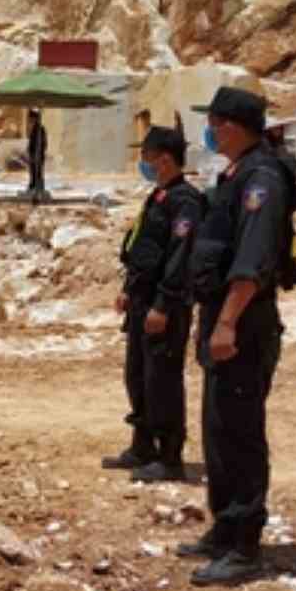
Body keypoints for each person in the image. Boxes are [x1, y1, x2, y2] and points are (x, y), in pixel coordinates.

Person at [180, 87, 293, 586]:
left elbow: (253, 259)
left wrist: (226, 322)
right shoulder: (237, 173)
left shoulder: (261, 179)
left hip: (242, 322)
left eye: (215, 124)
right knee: (218, 427)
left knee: (240, 432)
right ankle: (224, 527)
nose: (210, 133)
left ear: (230, 126)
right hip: (221, 316)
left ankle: (244, 542)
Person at [106, 126, 205, 483]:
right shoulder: (158, 197)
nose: (143, 163)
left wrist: (163, 305)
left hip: (166, 304)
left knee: (162, 379)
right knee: (138, 375)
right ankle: (143, 445)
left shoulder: (186, 202)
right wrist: (128, 290)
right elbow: (144, 250)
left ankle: (170, 456)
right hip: (142, 300)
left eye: (146, 156)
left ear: (164, 158)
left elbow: (179, 259)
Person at [26, 111, 49, 202]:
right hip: (35, 155)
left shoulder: (39, 129)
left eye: (31, 118)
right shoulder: (36, 129)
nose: (29, 120)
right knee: (34, 172)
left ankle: (38, 189)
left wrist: (37, 154)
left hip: (37, 155)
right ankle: (34, 187)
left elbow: (43, 143)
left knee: (37, 172)